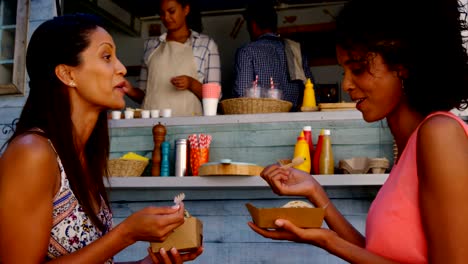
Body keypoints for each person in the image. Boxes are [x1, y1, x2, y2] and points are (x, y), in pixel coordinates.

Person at [248, 0, 468, 262]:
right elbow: (376, 255)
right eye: (344, 70)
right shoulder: (411, 145)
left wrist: (330, 241)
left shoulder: (439, 134)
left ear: (404, 66)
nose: (346, 84)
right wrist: (315, 193)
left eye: (358, 69)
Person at [0, 14, 202, 263]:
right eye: (107, 56)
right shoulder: (33, 153)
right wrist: (125, 234)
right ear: (67, 74)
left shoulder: (82, 155)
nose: (122, 68)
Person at [125, 0, 221, 117]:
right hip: (151, 123)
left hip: (188, 122)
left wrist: (191, 83)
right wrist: (128, 89)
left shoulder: (206, 45)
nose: (166, 17)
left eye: (171, 11)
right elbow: (146, 95)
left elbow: (215, 96)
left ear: (186, 9)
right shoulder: (150, 45)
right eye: (162, 13)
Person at [233, 2, 315, 111]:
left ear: (253, 25)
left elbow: (242, 96)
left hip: (260, 122)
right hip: (295, 121)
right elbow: (311, 93)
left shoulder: (247, 52)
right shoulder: (296, 50)